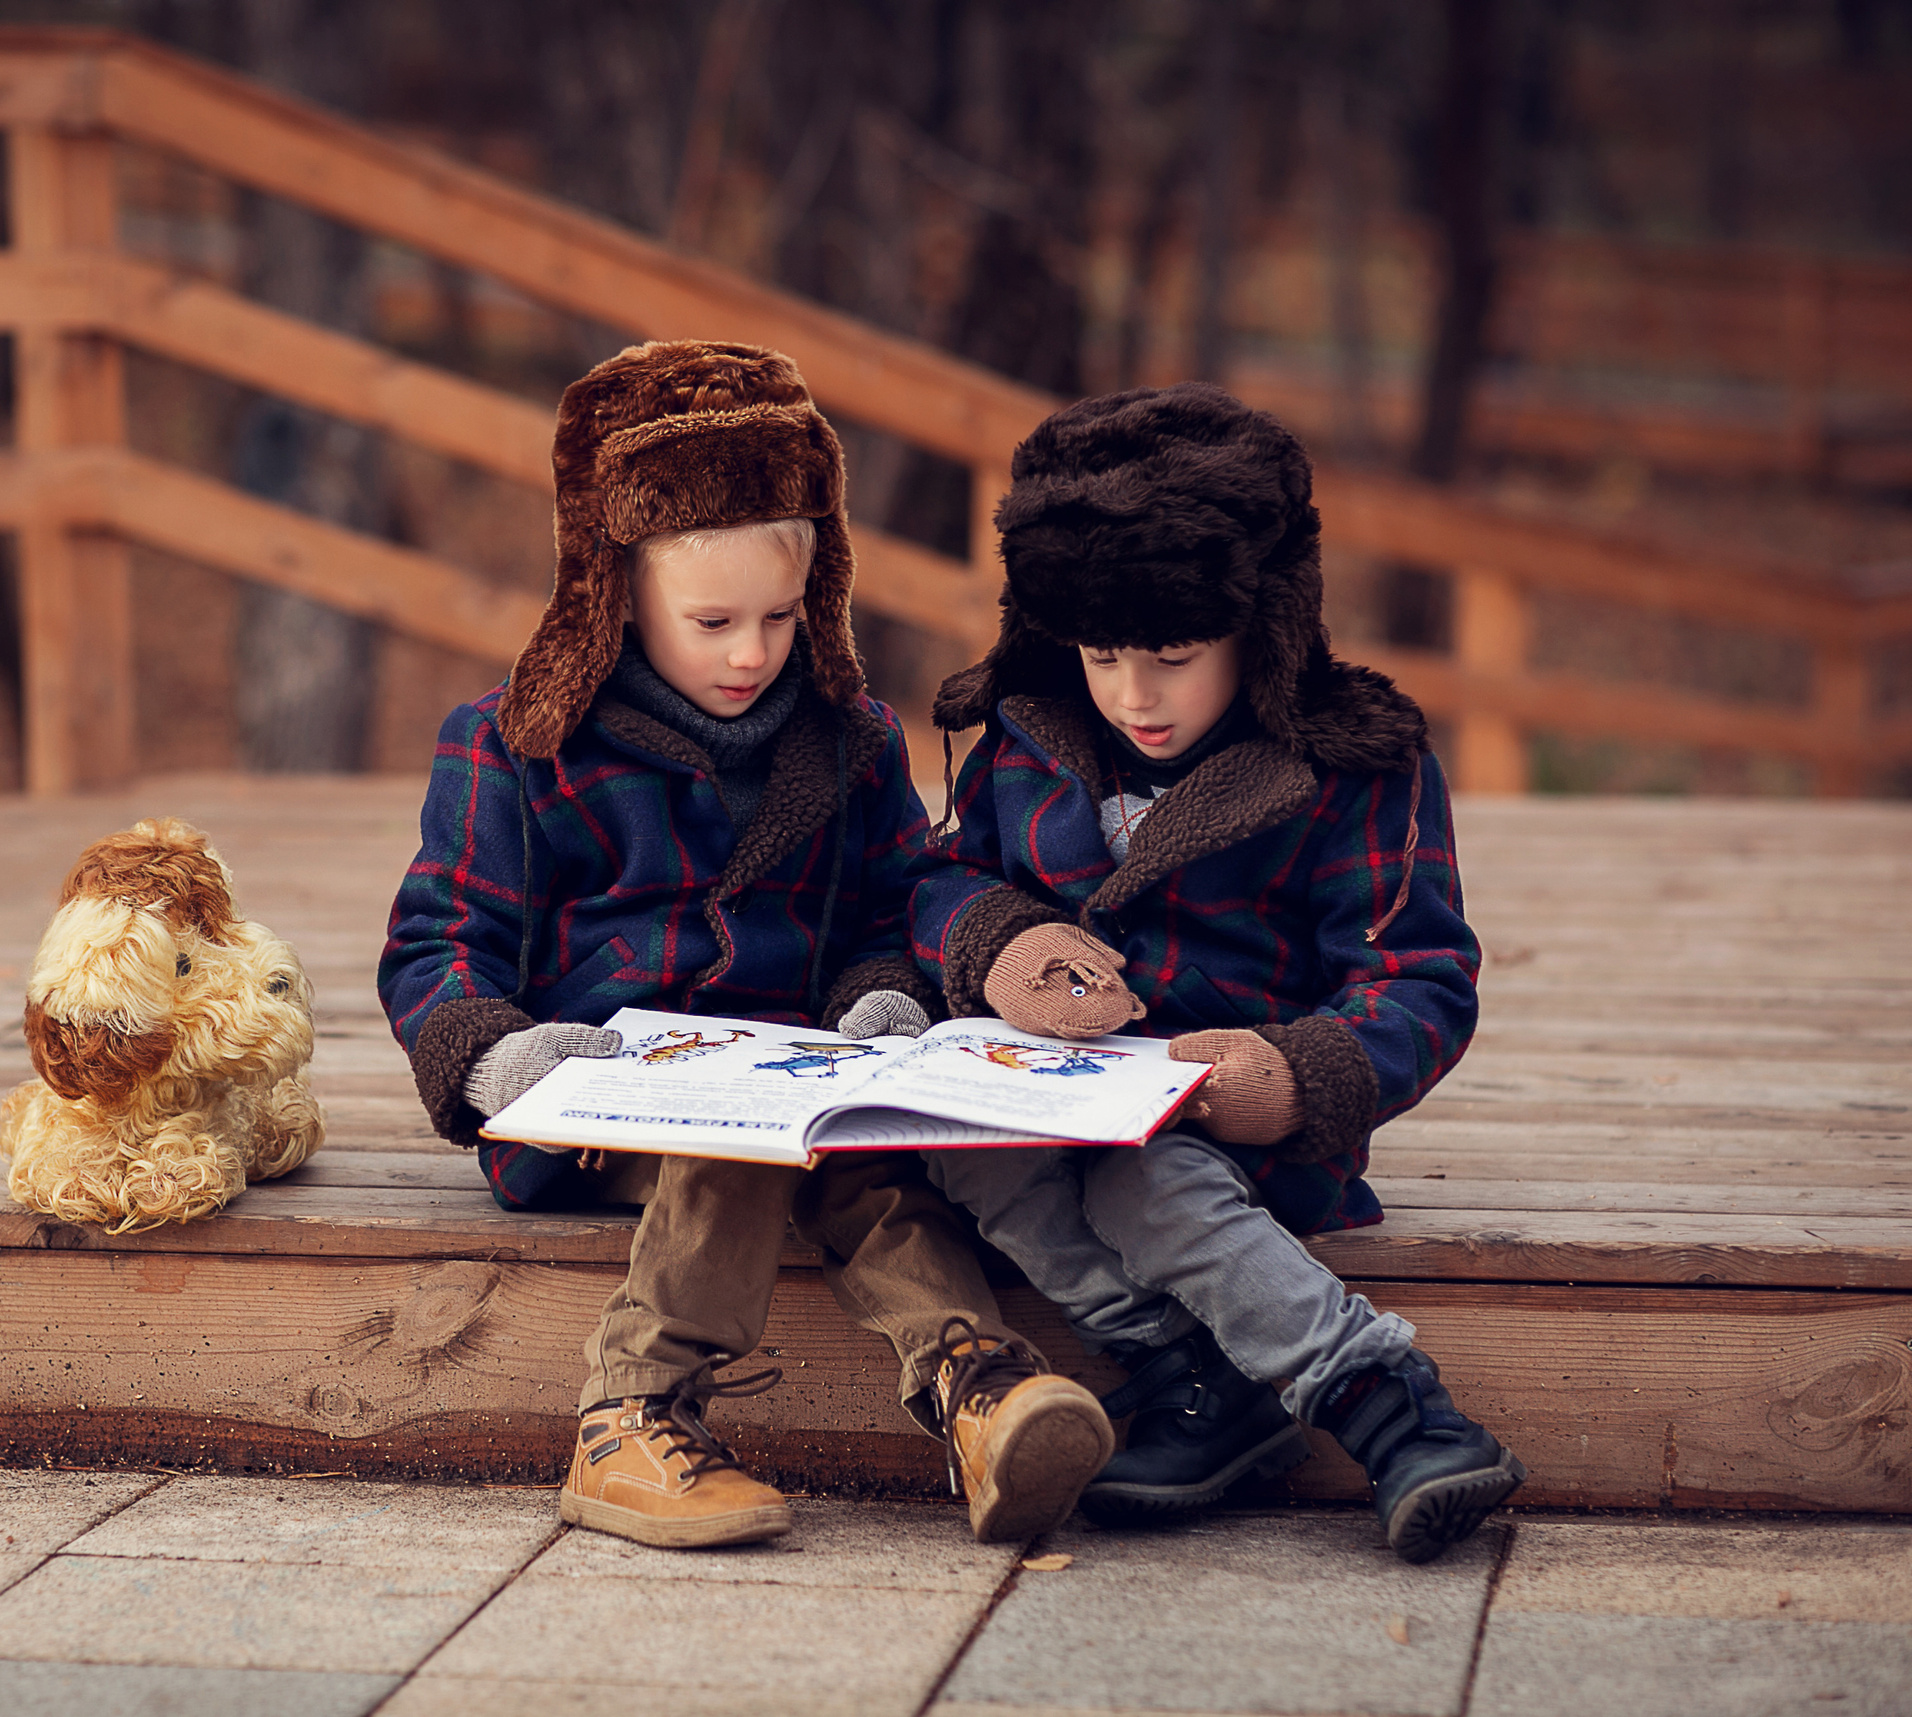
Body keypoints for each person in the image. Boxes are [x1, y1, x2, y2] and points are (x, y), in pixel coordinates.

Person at [379, 339, 1112, 1549]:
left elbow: (888, 907)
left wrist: (882, 997)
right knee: (733, 1132)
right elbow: (437, 940)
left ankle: (979, 1389)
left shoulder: (852, 744)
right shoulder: (514, 745)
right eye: (711, 619)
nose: (748, 652)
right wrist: (493, 1058)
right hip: (591, 1102)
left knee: (864, 1164)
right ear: (618, 593)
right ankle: (630, 1412)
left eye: (779, 616)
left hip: (796, 1080)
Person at [911, 383, 1525, 1564]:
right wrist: (998, 942)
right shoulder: (1027, 737)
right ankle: (1196, 1373)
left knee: (1148, 1186)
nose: (1134, 693)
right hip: (1051, 1100)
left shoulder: (1351, 768)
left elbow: (1422, 976)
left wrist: (1294, 1075)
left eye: (1173, 658)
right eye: (1103, 655)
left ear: (1260, 625)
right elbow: (941, 879)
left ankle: (1391, 1409)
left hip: (1243, 1125)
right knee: (952, 1148)